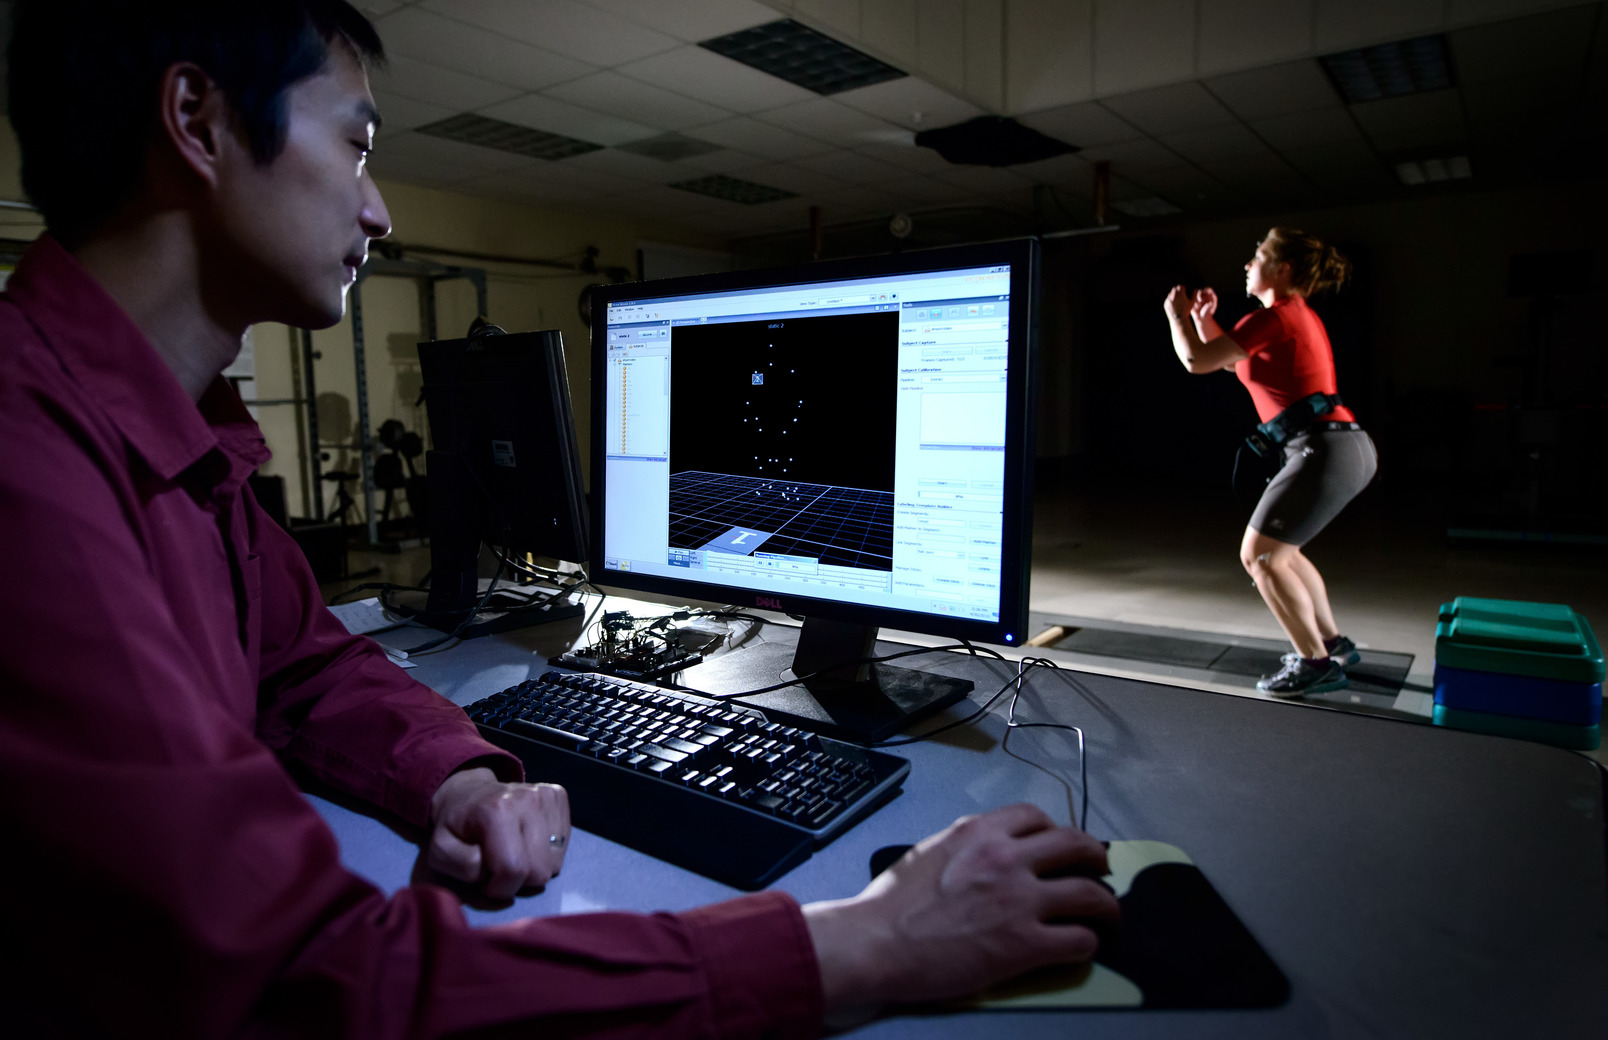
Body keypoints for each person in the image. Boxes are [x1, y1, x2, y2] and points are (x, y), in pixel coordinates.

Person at [0, 2, 1119, 1035]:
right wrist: (868, 941)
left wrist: (458, 772)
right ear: (197, 119)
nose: (379, 209)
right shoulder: (27, 467)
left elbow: (295, 665)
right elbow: (319, 980)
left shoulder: (182, 444)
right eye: (356, 144)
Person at [1162, 229, 1378, 697]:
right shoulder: (1288, 317)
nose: (1246, 264)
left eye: (1257, 256)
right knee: (1285, 553)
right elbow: (1227, 358)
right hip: (1339, 446)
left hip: (1323, 450)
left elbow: (1197, 361)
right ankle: (1330, 643)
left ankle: (1314, 663)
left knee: (1259, 555)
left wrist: (1177, 317)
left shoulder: (1278, 316)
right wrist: (1204, 320)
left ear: (1281, 270)